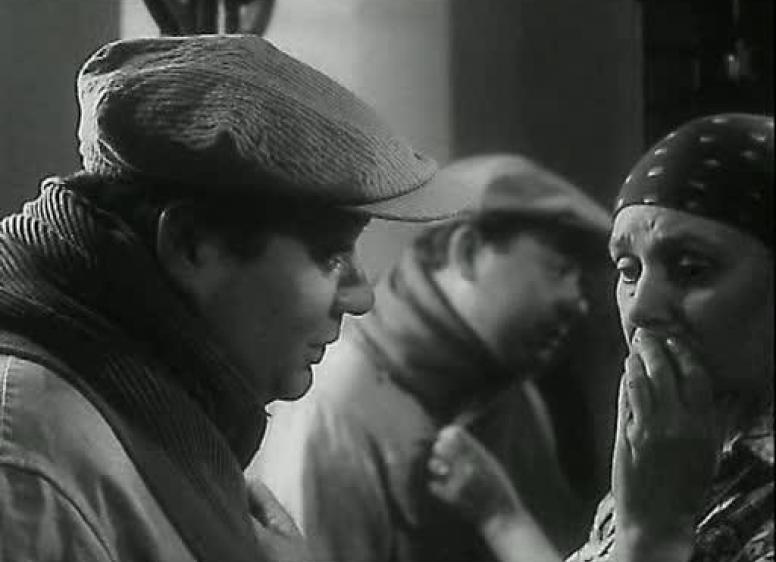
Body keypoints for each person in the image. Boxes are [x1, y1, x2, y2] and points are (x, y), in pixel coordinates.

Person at [0, 34, 470, 562]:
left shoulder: (150, 401)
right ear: (193, 245)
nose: (360, 297)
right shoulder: (30, 465)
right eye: (329, 254)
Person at [427, 113, 774, 562]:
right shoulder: (671, 455)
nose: (641, 308)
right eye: (628, 270)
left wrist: (652, 536)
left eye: (692, 269)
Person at [250, 153, 612, 562]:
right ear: (467, 250)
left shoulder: (514, 400)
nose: (577, 301)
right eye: (559, 269)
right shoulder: (335, 406)